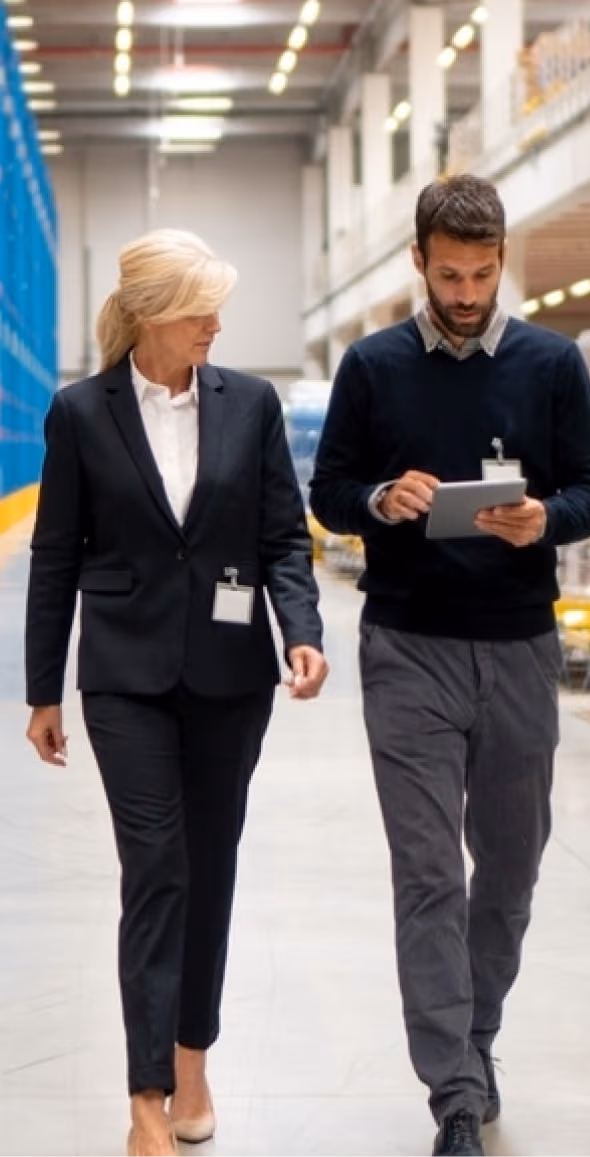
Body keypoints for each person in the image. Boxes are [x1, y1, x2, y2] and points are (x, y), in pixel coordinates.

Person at [310, 173, 590, 1157]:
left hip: (521, 644)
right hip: (406, 647)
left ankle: (476, 1038)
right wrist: (380, 500)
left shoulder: (552, 363)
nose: (470, 291)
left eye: (485, 273)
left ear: (502, 261)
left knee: (512, 869)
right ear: (419, 261)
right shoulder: (371, 366)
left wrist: (544, 519)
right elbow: (329, 491)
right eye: (452, 274)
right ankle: (451, 1089)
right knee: (430, 874)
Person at [24, 229, 328, 1157]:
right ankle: (147, 1092)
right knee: (155, 866)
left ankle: (195, 1052)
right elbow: (55, 554)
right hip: (125, 676)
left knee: (210, 865)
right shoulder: (81, 412)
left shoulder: (252, 403)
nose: (217, 323)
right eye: (201, 308)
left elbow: (284, 534)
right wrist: (44, 690)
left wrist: (303, 630)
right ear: (153, 312)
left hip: (233, 677)